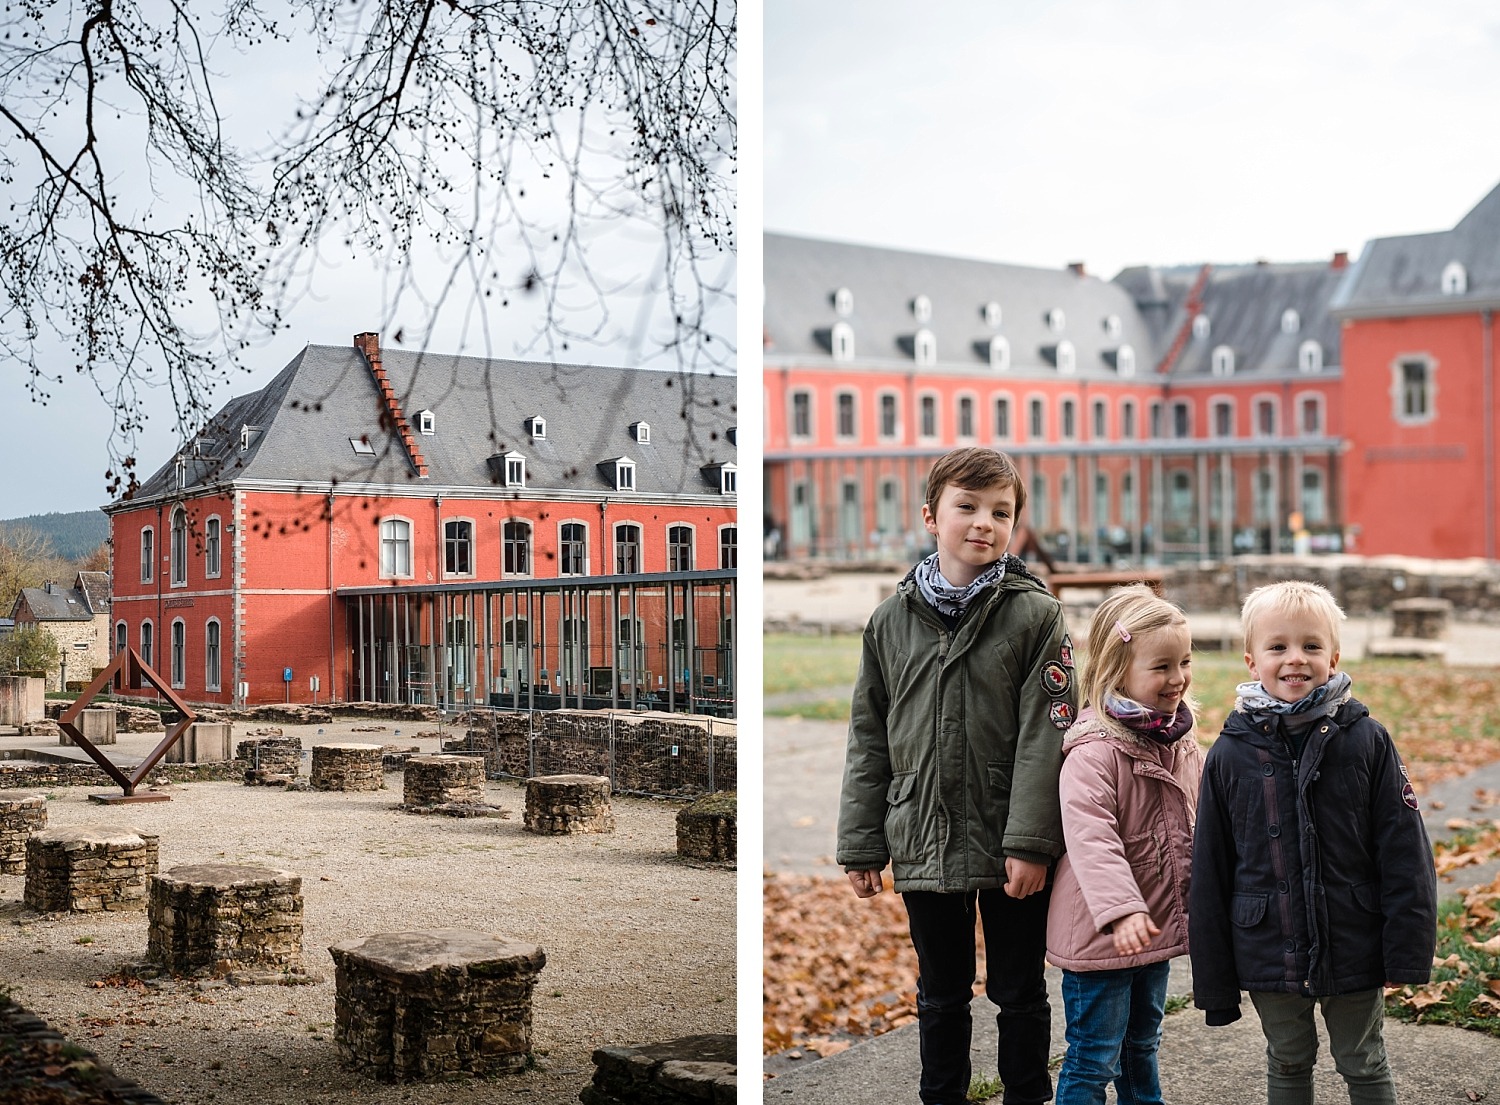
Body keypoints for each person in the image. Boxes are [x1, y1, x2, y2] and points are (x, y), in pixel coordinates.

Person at [838, 446, 1075, 1105]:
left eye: (1000, 511)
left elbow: (1046, 732)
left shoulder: (1035, 616)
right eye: (966, 507)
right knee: (940, 993)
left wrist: (1030, 841)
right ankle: (941, 1095)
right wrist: (862, 842)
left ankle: (1028, 1094)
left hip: (1008, 836)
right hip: (921, 830)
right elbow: (869, 738)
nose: (983, 522)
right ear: (930, 517)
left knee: (1020, 990)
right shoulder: (890, 622)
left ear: (1014, 526)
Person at [1190, 580, 1438, 1105]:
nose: (1294, 659)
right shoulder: (1229, 754)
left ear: (1334, 656)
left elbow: (1405, 852)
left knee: (1363, 1059)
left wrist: (1406, 951)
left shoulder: (1366, 740)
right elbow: (1210, 869)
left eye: (1311, 646)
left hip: (1354, 938)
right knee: (1287, 1058)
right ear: (1252, 661)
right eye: (1277, 647)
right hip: (1266, 945)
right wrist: (1214, 980)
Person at [1047, 585, 1203, 1105]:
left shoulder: (1179, 740)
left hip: (1152, 929)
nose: (1177, 678)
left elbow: (1197, 821)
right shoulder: (1094, 753)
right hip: (1103, 934)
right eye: (1161, 666)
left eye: (1184, 661)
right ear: (1117, 670)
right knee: (1094, 1056)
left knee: (1143, 1045)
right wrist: (1120, 910)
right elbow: (1092, 840)